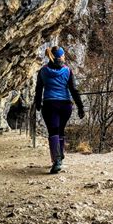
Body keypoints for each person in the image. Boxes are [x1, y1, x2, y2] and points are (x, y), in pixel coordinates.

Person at [35, 46, 84, 174]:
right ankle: (60, 155)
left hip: (50, 105)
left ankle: (56, 160)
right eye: (63, 55)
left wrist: (37, 103)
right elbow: (74, 90)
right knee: (60, 130)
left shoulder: (43, 71)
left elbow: (39, 89)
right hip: (65, 106)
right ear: (60, 57)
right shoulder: (67, 71)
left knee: (53, 132)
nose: (64, 57)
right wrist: (80, 107)